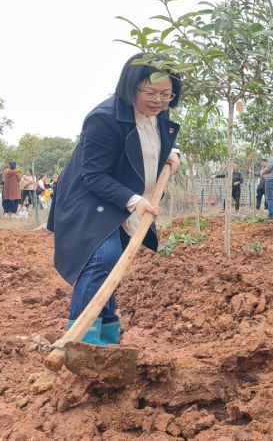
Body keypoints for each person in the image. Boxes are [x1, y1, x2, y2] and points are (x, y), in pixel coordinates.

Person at [47, 53, 181, 346]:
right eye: (150, 93)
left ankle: (106, 340)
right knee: (102, 259)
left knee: (111, 265)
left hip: (120, 198)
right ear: (131, 87)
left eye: (166, 94)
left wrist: (169, 154)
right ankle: (80, 342)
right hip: (89, 198)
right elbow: (92, 175)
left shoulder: (158, 115)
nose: (159, 100)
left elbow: (144, 149)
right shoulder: (104, 118)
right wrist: (133, 200)